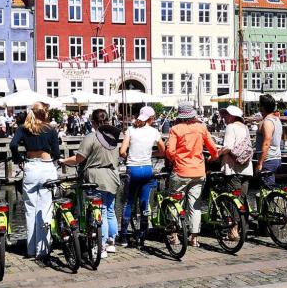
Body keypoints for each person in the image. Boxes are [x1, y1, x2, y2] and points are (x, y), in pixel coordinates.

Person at [61, 109, 121, 256]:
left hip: (96, 178)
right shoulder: (113, 137)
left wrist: (63, 160)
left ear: (93, 122)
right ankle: (112, 242)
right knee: (110, 210)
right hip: (112, 176)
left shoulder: (92, 137)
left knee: (101, 211)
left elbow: (79, 159)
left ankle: (102, 246)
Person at [10, 102, 60, 261]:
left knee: (30, 209)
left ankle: (30, 249)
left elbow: (13, 145)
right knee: (45, 209)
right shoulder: (50, 129)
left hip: (31, 168)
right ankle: (42, 250)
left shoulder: (24, 128)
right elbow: (57, 152)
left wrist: (18, 158)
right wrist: (55, 157)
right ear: (45, 113)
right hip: (46, 168)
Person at [165, 102, 218, 247]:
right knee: (195, 205)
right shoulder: (201, 127)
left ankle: (174, 235)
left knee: (175, 202)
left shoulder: (176, 129)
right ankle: (194, 238)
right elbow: (213, 149)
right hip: (199, 171)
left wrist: (176, 159)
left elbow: (170, 151)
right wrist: (211, 158)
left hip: (181, 171)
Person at [118, 106, 165, 246]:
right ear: (151, 118)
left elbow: (122, 151)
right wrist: (152, 154)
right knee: (144, 202)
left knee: (129, 202)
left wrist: (128, 157)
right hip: (147, 168)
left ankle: (124, 236)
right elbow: (163, 151)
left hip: (133, 169)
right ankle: (142, 235)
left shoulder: (131, 130)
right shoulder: (154, 132)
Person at [217, 106, 253, 241]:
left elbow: (228, 147)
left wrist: (216, 154)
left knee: (233, 200)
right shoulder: (245, 127)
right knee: (242, 200)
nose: (224, 117)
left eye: (225, 115)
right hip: (247, 168)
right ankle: (243, 228)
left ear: (232, 116)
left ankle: (233, 231)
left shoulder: (231, 127)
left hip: (233, 169)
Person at [254, 94, 282, 188]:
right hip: (276, 158)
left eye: (259, 105)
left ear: (262, 107)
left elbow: (266, 143)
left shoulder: (267, 122)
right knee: (270, 188)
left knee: (267, 190)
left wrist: (260, 163)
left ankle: (272, 202)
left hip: (268, 160)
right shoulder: (276, 120)